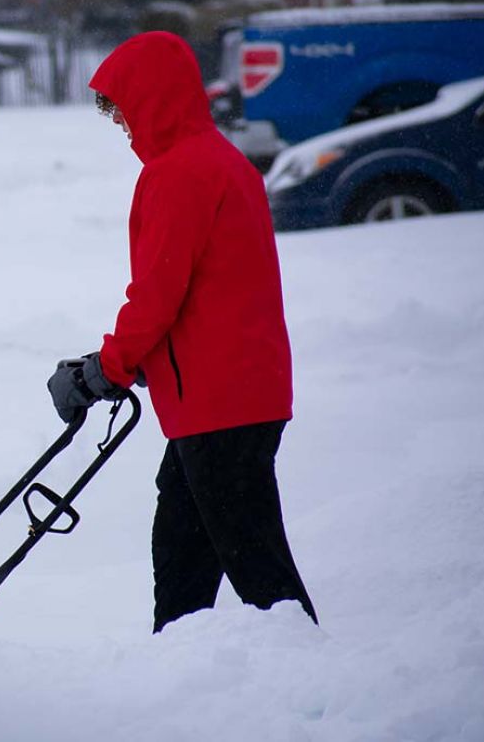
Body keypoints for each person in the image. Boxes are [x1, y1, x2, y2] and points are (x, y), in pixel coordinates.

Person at [47, 31, 318, 633]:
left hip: (220, 403)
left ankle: (309, 692)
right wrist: (137, 362)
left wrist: (104, 371)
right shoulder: (220, 161)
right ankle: (179, 674)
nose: (117, 120)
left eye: (120, 105)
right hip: (235, 392)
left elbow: (157, 296)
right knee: (182, 554)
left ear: (152, 97)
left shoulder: (180, 174)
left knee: (259, 571)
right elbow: (212, 292)